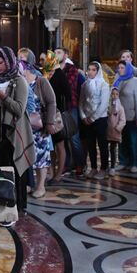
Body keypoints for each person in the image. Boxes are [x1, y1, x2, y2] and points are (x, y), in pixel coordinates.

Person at [0, 47, 35, 217]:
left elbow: (19, 108)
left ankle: (20, 205)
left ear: (8, 61)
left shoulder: (19, 80)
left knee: (17, 169)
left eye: (0, 62)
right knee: (2, 168)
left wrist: (3, 97)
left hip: (14, 129)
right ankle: (5, 203)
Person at [21, 60, 57, 198]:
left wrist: (49, 122)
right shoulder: (21, 81)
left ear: (26, 69)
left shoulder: (41, 81)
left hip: (40, 125)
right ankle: (29, 183)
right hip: (25, 125)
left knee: (41, 156)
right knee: (28, 155)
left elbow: (51, 102)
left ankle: (41, 186)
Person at [55, 47, 85, 177]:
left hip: (70, 106)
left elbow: (69, 84)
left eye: (59, 52)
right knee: (63, 136)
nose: (56, 55)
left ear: (66, 55)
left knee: (74, 136)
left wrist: (56, 72)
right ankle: (67, 163)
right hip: (58, 106)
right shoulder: (54, 69)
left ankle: (80, 164)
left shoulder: (72, 69)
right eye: (55, 53)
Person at [79, 62, 111, 180]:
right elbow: (81, 102)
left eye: (93, 70)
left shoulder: (104, 85)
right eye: (89, 69)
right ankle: (93, 167)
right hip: (87, 119)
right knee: (90, 144)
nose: (90, 72)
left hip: (100, 119)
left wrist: (93, 118)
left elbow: (103, 104)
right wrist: (83, 116)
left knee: (102, 144)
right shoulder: (84, 85)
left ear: (98, 71)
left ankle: (103, 168)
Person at [43, 51, 72, 180]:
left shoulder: (60, 74)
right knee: (51, 146)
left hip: (58, 114)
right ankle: (52, 171)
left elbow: (68, 94)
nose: (43, 62)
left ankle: (59, 172)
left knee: (60, 145)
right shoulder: (46, 75)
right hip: (48, 113)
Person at [113, 60, 137, 172]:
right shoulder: (117, 81)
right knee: (121, 140)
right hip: (120, 117)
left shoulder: (136, 81)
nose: (120, 70)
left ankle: (134, 162)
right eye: (119, 68)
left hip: (132, 115)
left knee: (133, 140)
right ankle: (123, 161)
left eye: (122, 68)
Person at [106, 87, 126, 177]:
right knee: (105, 149)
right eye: (113, 94)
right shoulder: (107, 105)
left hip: (115, 132)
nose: (114, 96)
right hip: (107, 131)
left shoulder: (120, 108)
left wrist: (118, 128)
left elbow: (123, 120)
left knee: (113, 150)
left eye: (116, 94)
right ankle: (105, 165)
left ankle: (113, 167)